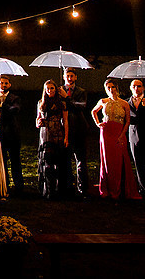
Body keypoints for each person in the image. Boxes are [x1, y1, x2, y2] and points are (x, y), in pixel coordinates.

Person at [91, 79, 141, 200]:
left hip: (119, 132)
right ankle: (107, 189)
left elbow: (128, 121)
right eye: (108, 87)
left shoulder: (124, 103)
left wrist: (122, 134)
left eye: (112, 87)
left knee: (120, 159)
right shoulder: (103, 101)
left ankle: (121, 188)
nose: (111, 89)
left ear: (116, 88)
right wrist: (98, 123)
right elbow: (93, 111)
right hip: (106, 132)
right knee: (107, 160)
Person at [36, 79, 69, 200]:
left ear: (56, 89)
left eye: (52, 88)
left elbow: (65, 121)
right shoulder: (41, 103)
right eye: (47, 89)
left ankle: (59, 190)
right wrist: (38, 122)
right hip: (45, 133)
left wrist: (66, 137)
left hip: (58, 132)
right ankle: (48, 191)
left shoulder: (62, 103)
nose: (49, 91)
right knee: (47, 163)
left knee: (59, 163)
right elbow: (37, 120)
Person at [60, 67, 90, 197]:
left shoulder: (81, 91)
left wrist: (67, 98)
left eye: (72, 76)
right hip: (64, 129)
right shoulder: (59, 90)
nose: (70, 78)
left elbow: (81, 106)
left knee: (81, 160)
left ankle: (82, 188)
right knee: (65, 159)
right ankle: (67, 187)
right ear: (64, 77)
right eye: (68, 75)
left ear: (75, 77)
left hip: (79, 128)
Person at [0, 74, 24, 194]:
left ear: (9, 85)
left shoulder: (15, 98)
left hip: (12, 134)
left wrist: (1, 104)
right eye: (2, 83)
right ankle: (4, 184)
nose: (4, 85)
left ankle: (19, 186)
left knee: (15, 160)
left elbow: (14, 110)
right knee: (2, 161)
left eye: (6, 83)